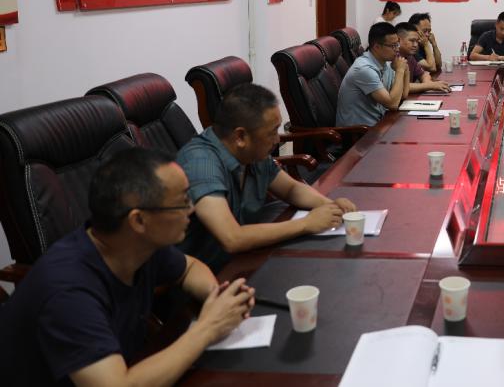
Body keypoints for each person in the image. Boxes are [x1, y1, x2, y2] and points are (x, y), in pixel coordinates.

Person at [0, 148, 255, 387]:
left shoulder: (134, 244)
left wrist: (215, 297)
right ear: (139, 220)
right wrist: (209, 326)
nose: (191, 209)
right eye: (182, 202)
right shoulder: (68, 292)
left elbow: (190, 267)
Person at [178, 84, 358, 271]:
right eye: (272, 132)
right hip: (207, 274)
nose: (277, 140)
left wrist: (331, 206)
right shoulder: (202, 164)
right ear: (240, 136)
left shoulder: (250, 152)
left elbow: (291, 189)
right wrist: (307, 223)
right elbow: (232, 238)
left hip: (243, 258)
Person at [336, 21, 410, 127]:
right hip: (359, 132)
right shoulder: (364, 69)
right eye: (393, 46)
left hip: (378, 124)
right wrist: (400, 71)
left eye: (397, 44)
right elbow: (393, 104)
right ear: (377, 47)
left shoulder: (385, 63)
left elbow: (403, 95)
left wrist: (405, 70)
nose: (397, 49)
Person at [395, 22, 451, 94]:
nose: (415, 45)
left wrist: (429, 83)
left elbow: (424, 74)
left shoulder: (410, 57)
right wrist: (430, 86)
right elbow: (402, 87)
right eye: (412, 41)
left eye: (417, 41)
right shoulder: (393, 58)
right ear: (398, 40)